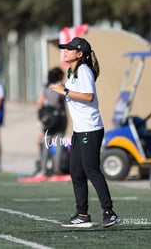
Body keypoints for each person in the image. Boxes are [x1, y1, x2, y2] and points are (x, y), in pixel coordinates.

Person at [50, 37, 120, 228]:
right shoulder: (72, 71)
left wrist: (64, 91)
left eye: (69, 49)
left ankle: (109, 212)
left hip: (91, 129)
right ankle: (82, 214)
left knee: (92, 170)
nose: (65, 51)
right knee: (76, 172)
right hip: (80, 130)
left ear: (79, 54)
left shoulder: (84, 70)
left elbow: (88, 97)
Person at [34, 67, 67, 177]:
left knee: (46, 144)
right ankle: (57, 170)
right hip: (60, 119)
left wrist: (41, 117)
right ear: (59, 76)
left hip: (48, 120)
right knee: (58, 144)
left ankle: (43, 170)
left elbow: (39, 103)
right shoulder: (60, 87)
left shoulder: (46, 87)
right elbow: (66, 100)